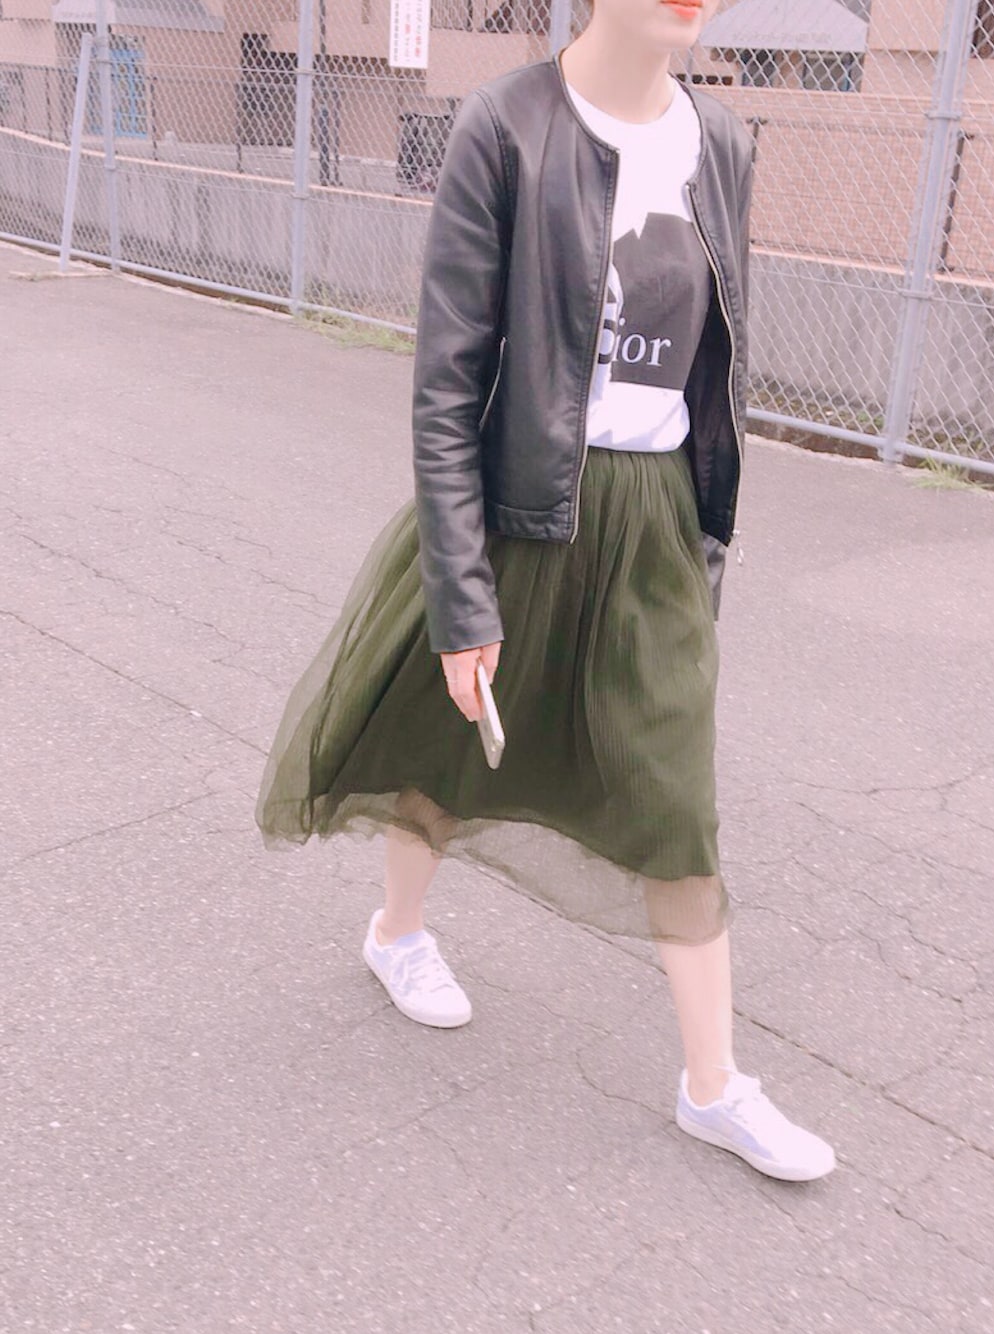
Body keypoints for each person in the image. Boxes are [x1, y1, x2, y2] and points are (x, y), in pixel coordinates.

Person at [256, 0, 836, 1183]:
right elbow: (446, 383)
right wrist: (462, 595)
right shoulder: (506, 125)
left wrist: (702, 539)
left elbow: (717, 369)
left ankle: (713, 1084)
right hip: (522, 500)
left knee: (674, 788)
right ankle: (397, 932)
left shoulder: (722, 143)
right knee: (452, 737)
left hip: (652, 517)